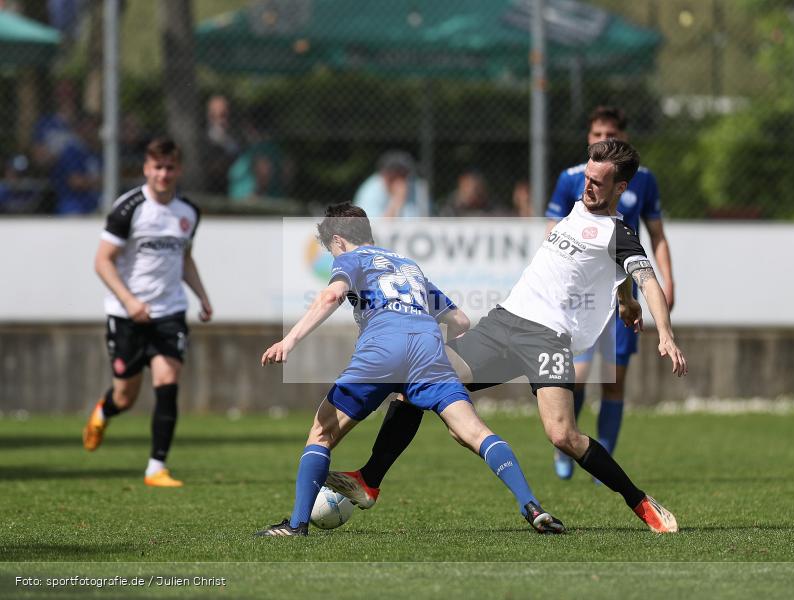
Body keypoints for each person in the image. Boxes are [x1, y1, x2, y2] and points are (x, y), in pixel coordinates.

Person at [325, 140, 687, 534]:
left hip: (547, 339)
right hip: (504, 323)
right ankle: (370, 480)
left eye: (599, 182)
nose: (588, 186)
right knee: (416, 382)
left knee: (563, 435)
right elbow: (610, 272)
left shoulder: (618, 231)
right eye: (587, 176)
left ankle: (640, 501)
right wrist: (624, 299)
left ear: (620, 188)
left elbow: (645, 276)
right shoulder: (579, 207)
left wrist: (663, 331)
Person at [255, 203, 564, 537]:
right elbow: (459, 320)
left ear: (339, 241)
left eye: (331, 250)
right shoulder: (408, 266)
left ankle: (297, 525)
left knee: (321, 433)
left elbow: (332, 297)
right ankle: (532, 505)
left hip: (382, 348)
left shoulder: (351, 259)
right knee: (475, 433)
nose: (333, 257)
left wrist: (289, 340)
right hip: (427, 349)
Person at [545, 105, 676, 480]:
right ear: (588, 138)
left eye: (610, 134)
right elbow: (553, 231)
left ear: (623, 137)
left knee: (614, 380)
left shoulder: (642, 180)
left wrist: (668, 281)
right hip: (582, 294)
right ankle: (568, 446)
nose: (603, 140)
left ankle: (603, 459)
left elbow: (658, 235)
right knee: (580, 375)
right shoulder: (573, 178)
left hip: (622, 292)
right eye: (597, 135)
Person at [82, 138, 213, 488]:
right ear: (146, 168)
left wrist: (201, 296)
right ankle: (104, 411)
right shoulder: (128, 208)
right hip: (127, 316)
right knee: (126, 396)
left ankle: (156, 467)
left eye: (170, 167)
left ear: (179, 169)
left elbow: (184, 258)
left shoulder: (188, 212)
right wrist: (129, 302)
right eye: (157, 167)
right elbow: (102, 261)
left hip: (170, 312)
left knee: (168, 384)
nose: (164, 174)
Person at [51, 112, 102, 215]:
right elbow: (75, 181)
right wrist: (101, 181)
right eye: (87, 127)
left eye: (93, 127)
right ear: (79, 129)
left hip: (95, 200)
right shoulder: (72, 151)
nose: (91, 131)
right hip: (73, 203)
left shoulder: (98, 152)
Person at [353, 151, 429, 218]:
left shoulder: (417, 187)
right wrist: (396, 200)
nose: (398, 181)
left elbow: (426, 220)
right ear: (383, 174)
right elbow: (374, 230)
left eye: (403, 175)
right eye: (393, 176)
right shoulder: (370, 191)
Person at [205, 95, 241, 196]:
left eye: (224, 114)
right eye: (216, 115)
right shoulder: (204, 138)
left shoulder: (236, 135)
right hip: (212, 186)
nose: (222, 120)